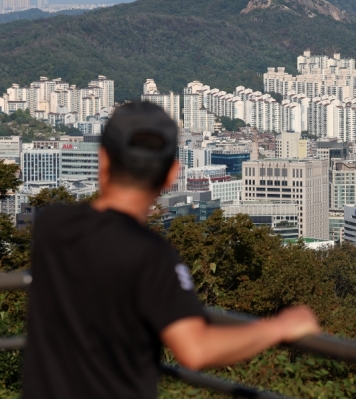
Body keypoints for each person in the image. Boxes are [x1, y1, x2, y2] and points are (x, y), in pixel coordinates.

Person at [23, 102, 321, 398]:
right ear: (171, 175)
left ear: (103, 160)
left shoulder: (52, 224)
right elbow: (195, 349)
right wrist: (278, 327)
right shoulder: (152, 256)